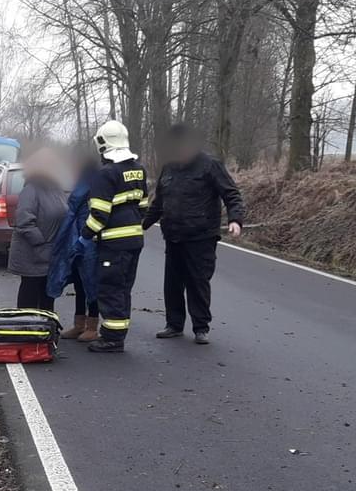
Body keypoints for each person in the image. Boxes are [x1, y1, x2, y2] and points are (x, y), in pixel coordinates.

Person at [142, 123, 246, 344]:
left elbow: (231, 194)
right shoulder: (169, 168)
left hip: (201, 236)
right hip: (173, 235)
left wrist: (235, 220)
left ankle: (201, 327)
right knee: (172, 283)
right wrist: (142, 225)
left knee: (198, 282)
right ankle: (174, 324)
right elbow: (158, 203)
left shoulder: (210, 165)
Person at [81, 120, 149, 353]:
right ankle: (118, 334)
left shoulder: (106, 174)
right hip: (134, 241)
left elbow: (99, 214)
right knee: (123, 288)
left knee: (110, 289)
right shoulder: (138, 169)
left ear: (102, 145)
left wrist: (84, 236)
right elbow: (143, 206)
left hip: (113, 244)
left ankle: (112, 339)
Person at [48, 152, 101, 341]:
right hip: (78, 239)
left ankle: (92, 326)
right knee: (80, 282)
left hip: (89, 241)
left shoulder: (92, 186)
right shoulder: (85, 184)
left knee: (90, 283)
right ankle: (79, 324)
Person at [8, 150, 69, 312]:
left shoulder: (56, 189)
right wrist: (41, 243)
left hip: (51, 253)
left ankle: (46, 325)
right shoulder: (31, 190)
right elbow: (24, 221)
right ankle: (26, 324)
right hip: (32, 255)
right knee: (30, 296)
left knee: (48, 298)